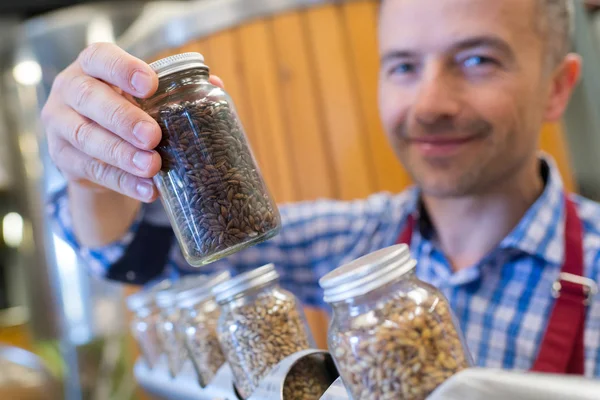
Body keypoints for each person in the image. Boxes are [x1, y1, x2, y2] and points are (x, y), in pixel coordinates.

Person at [43, 0, 600, 375]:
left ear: (557, 88)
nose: (430, 105)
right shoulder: (356, 240)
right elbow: (142, 256)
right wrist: (91, 173)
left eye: (478, 60)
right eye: (404, 66)